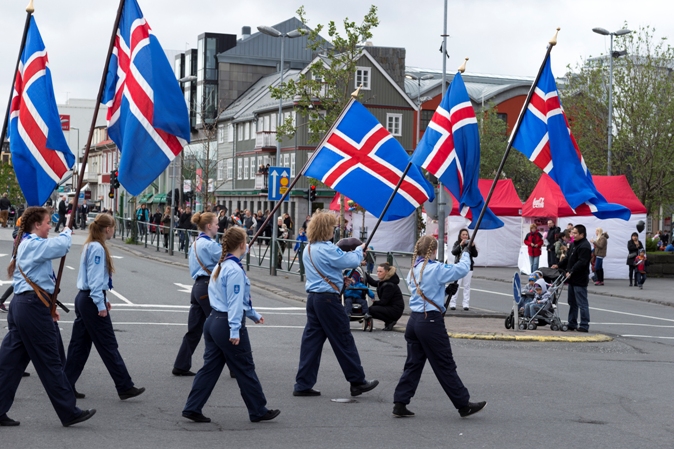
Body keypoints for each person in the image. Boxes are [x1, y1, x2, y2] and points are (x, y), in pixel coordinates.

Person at [0, 207, 96, 427]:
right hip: (31, 307)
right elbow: (61, 246)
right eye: (46, 223)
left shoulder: (27, 244)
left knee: (10, 363)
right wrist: (67, 231)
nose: (49, 226)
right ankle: (69, 411)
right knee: (51, 362)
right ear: (36, 225)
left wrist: (50, 307)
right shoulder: (33, 243)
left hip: (26, 305)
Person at [182, 227, 279, 423]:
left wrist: (253, 314)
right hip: (227, 323)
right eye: (246, 241)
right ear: (242, 245)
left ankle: (192, 407)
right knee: (245, 367)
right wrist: (235, 329)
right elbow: (235, 302)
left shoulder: (220, 265)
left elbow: (227, 298)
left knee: (210, 368)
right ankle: (258, 410)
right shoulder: (234, 269)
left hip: (214, 321)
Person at [392, 235, 486, 418]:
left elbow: (425, 290)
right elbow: (461, 269)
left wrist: (443, 291)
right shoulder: (435, 268)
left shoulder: (415, 268)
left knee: (413, 364)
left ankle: (400, 401)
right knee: (445, 364)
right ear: (433, 251)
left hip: (415, 320)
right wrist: (466, 253)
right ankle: (463, 403)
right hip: (430, 321)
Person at [293, 211, 378, 398]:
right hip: (328, 300)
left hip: (314, 298)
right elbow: (350, 260)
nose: (334, 230)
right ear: (326, 229)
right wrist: (359, 249)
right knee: (343, 339)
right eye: (332, 227)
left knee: (311, 342)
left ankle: (303, 383)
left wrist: (339, 280)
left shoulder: (309, 248)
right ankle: (357, 380)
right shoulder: (327, 248)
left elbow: (327, 269)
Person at [64, 214, 145, 400]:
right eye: (113, 228)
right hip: (91, 300)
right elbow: (94, 279)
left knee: (79, 345)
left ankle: (66, 384)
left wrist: (101, 297)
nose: (114, 231)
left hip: (84, 298)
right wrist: (99, 302)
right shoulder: (97, 248)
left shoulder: (89, 246)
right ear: (107, 229)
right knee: (108, 344)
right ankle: (124, 385)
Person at [173, 212, 222, 377]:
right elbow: (228, 258)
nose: (218, 226)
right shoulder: (210, 245)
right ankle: (235, 364)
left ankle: (181, 364)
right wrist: (243, 249)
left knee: (194, 330)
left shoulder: (195, 243)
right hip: (208, 287)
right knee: (221, 325)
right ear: (208, 226)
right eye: (216, 223)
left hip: (198, 288)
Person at [553, 224, 592, 332]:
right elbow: (568, 258)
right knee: (572, 302)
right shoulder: (574, 244)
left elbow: (582, 262)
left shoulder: (585, 246)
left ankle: (584, 325)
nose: (572, 235)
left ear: (582, 234)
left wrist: (571, 270)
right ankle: (572, 323)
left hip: (580, 278)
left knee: (582, 303)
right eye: (572, 233)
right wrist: (559, 265)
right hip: (572, 278)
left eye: (575, 233)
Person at [365, 262, 404, 331]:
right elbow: (373, 282)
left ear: (386, 272)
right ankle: (389, 321)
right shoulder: (385, 281)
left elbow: (383, 302)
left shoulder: (389, 285)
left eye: (380, 271)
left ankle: (390, 321)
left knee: (371, 310)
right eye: (377, 271)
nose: (378, 273)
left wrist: (374, 303)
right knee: (371, 309)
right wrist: (363, 273)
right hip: (390, 307)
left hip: (395, 310)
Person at [448, 228, 478, 311]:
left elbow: (475, 255)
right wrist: (460, 245)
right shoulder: (457, 243)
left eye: (466, 235)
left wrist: (473, 246)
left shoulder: (470, 244)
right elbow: (453, 252)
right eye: (463, 235)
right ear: (460, 236)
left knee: (467, 286)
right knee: (456, 284)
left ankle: (466, 304)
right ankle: (453, 303)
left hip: (469, 268)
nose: (465, 236)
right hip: (459, 267)